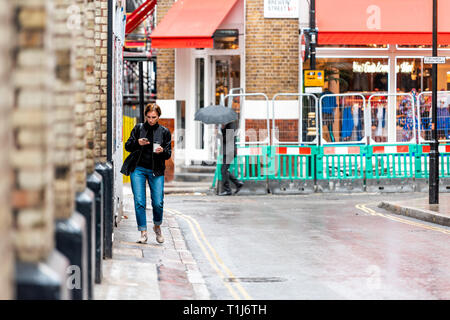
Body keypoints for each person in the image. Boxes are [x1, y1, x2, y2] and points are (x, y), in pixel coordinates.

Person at [120, 103, 172, 244]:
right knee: (139, 202)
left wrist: (162, 151)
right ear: (145, 116)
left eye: (153, 117)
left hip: (156, 170)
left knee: (158, 203)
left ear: (158, 117)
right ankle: (143, 232)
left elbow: (168, 154)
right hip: (138, 169)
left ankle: (157, 226)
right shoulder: (138, 128)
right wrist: (138, 143)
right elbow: (128, 146)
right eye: (148, 117)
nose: (150, 120)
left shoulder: (164, 132)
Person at [219, 118, 244, 196]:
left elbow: (226, 139)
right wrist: (222, 129)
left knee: (223, 170)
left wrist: (222, 129)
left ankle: (228, 190)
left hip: (230, 151)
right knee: (224, 170)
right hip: (228, 151)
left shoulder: (231, 125)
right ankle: (238, 183)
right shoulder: (228, 125)